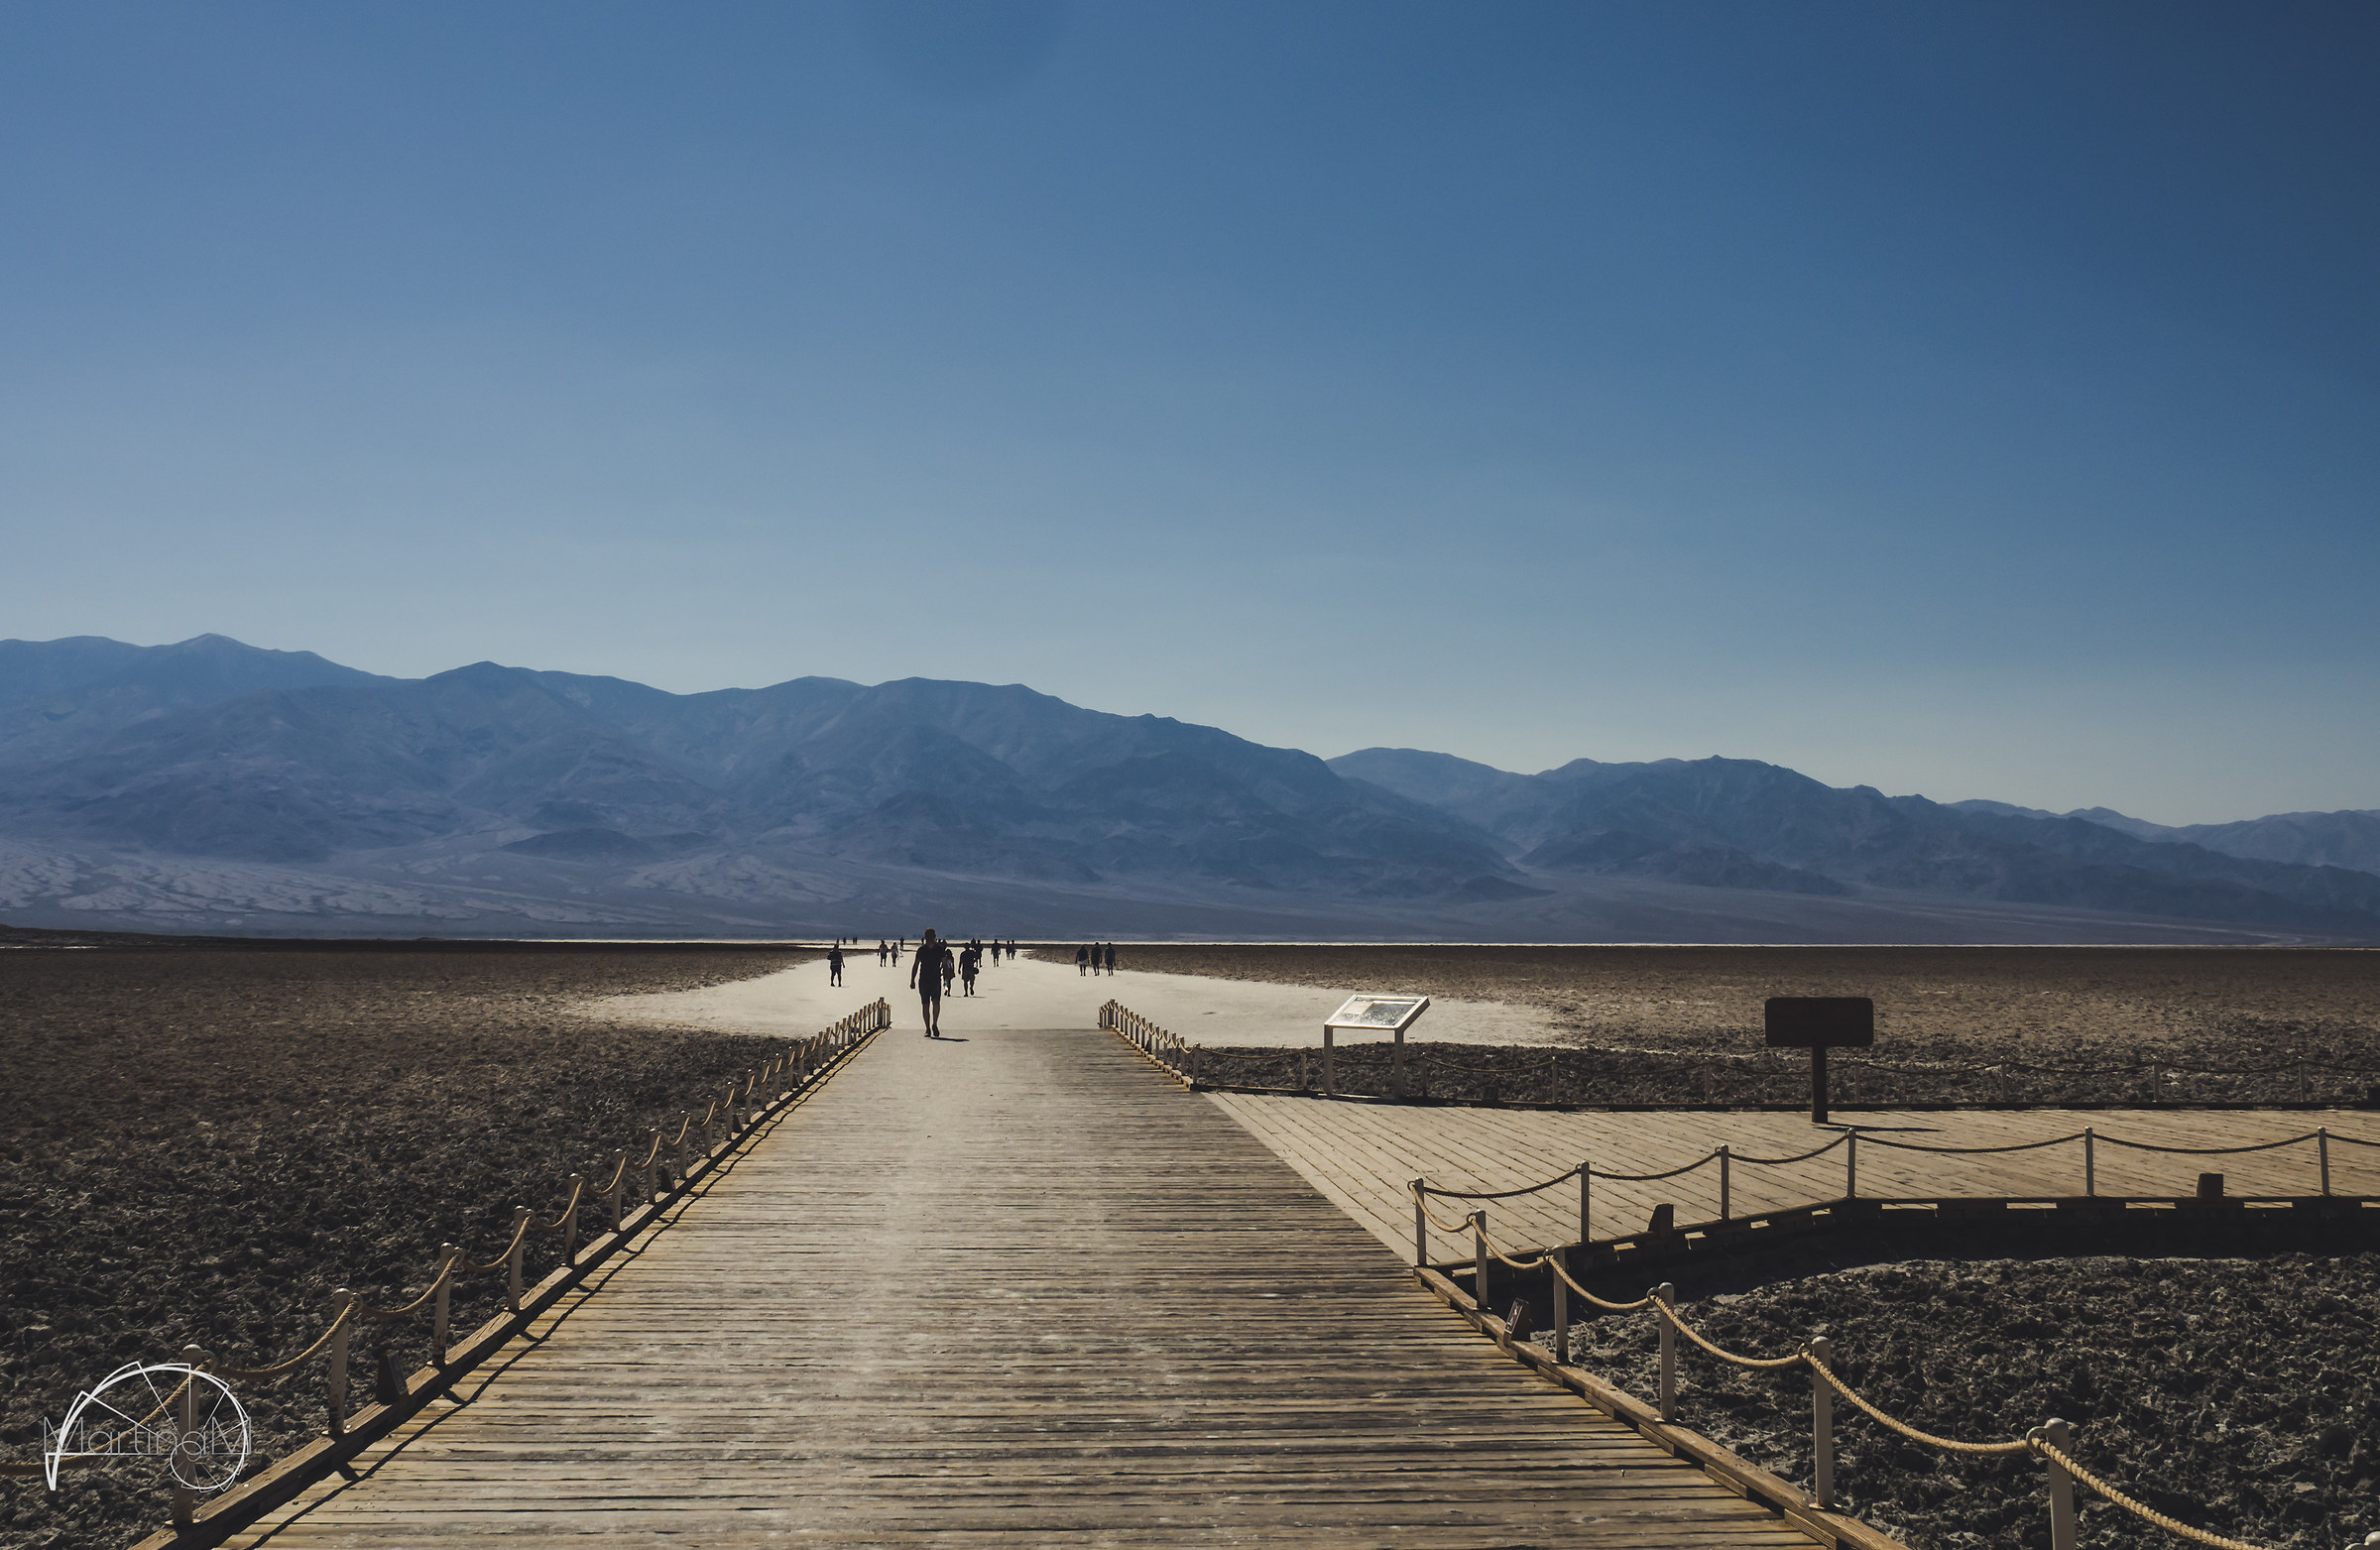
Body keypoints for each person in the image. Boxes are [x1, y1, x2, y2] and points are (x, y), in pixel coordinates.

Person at [909, 928, 944, 1037]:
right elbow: (916, 965)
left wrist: (946, 977)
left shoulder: (939, 949)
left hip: (936, 979)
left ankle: (934, 1024)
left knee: (936, 1002)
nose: (929, 938)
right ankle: (928, 1028)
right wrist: (912, 980)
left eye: (931, 935)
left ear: (934, 936)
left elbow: (945, 963)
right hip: (924, 980)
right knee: (925, 1004)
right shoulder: (921, 950)